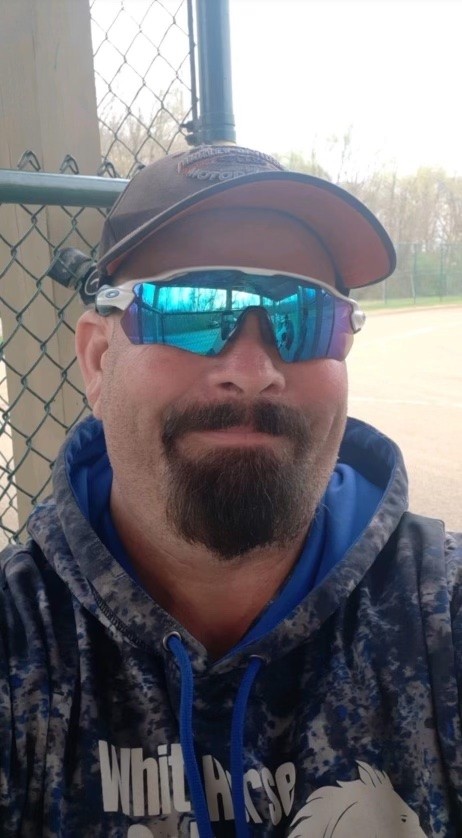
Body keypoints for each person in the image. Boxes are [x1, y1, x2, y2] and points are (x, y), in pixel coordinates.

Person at [0, 144, 461, 838]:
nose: (253, 370)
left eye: (306, 315)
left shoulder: (439, 617)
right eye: (190, 307)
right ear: (97, 360)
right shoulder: (21, 646)